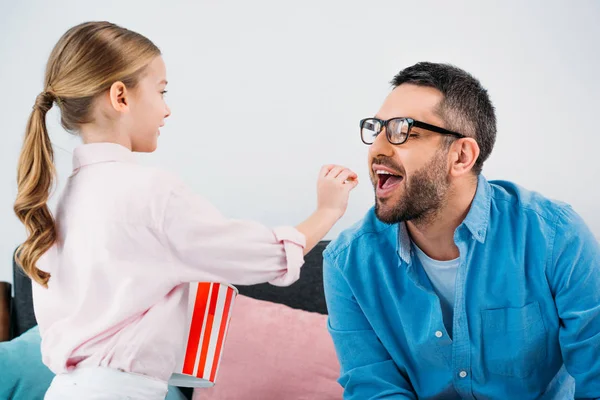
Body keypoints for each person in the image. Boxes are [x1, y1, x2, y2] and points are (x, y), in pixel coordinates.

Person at [14, 21, 358, 399]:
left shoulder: (54, 204)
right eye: (160, 91)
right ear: (120, 97)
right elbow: (271, 258)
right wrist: (327, 210)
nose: (166, 110)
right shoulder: (150, 193)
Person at [323, 62, 600, 399]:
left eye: (401, 130)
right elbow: (373, 388)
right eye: (377, 128)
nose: (378, 148)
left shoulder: (556, 236)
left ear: (461, 156)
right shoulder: (347, 262)